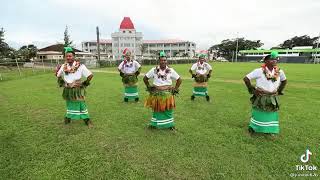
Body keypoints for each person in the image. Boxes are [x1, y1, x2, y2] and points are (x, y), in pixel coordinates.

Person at [243, 51, 287, 135]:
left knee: (271, 113)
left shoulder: (280, 71)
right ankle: (253, 128)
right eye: (271, 59)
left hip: (273, 97)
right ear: (265, 62)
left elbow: (284, 81)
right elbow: (246, 78)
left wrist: (279, 91)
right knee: (259, 112)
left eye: (275, 59)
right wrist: (252, 90)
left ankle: (270, 130)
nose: (274, 61)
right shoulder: (259, 71)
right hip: (261, 96)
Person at [143, 51, 182, 130]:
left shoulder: (171, 70)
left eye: (165, 60)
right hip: (156, 93)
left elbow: (179, 79)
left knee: (168, 109)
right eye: (161, 60)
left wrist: (175, 89)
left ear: (166, 61)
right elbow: (145, 78)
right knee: (156, 109)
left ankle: (170, 125)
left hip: (167, 93)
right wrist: (149, 88)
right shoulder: (154, 70)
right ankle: (154, 124)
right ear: (159, 61)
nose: (163, 61)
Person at [56, 47, 94, 127]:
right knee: (69, 103)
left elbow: (90, 75)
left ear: (74, 56)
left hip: (77, 89)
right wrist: (64, 84)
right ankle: (68, 118)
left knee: (81, 103)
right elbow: (58, 75)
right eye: (67, 56)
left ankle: (87, 120)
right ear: (65, 57)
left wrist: (84, 83)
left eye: (70, 56)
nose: (68, 57)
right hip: (67, 90)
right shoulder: (63, 66)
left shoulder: (80, 66)